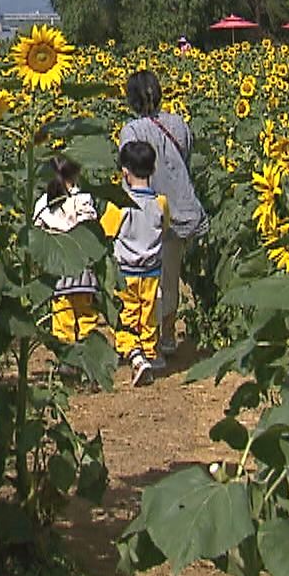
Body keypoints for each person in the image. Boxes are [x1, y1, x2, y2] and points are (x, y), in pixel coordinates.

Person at [118, 69, 208, 355]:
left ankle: (148, 340)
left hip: (146, 213)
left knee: (146, 279)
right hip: (180, 209)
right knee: (170, 278)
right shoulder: (178, 124)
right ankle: (167, 335)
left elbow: (128, 175)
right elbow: (185, 160)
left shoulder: (131, 132)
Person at [103, 140, 169, 386]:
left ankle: (135, 356)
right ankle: (151, 353)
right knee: (149, 313)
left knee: (125, 315)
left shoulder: (119, 205)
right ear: (153, 170)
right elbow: (165, 227)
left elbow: (106, 232)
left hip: (125, 272)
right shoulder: (161, 203)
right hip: (152, 271)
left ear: (125, 172)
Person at [32, 156, 103, 347]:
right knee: (87, 320)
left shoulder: (43, 203)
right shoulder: (82, 199)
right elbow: (90, 229)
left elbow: (36, 234)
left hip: (58, 272)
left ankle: (67, 358)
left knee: (63, 323)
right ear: (77, 173)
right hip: (82, 272)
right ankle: (88, 357)